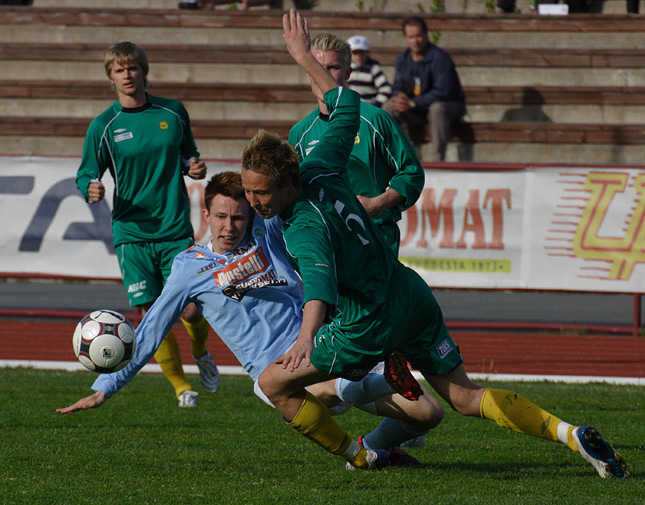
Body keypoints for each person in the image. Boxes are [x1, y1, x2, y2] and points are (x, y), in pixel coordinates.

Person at [240, 10, 628, 477]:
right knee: (462, 397)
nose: (253, 201)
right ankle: (569, 434)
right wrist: (303, 57)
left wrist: (305, 337)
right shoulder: (319, 159)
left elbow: (318, 282)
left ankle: (360, 455)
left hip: (364, 321)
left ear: (285, 182)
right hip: (408, 292)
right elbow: (344, 105)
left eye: (259, 192)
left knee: (274, 384)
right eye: (247, 191)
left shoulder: (302, 225)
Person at [58, 170, 442, 467]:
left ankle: (371, 449)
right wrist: (106, 386)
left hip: (323, 339)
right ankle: (376, 381)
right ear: (205, 214)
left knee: (428, 414)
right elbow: (150, 330)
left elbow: (287, 191)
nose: (230, 227)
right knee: (333, 382)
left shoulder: (269, 231)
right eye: (221, 217)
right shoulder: (189, 268)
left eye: (239, 217)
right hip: (273, 370)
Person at [75, 41, 220, 408]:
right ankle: (180, 387)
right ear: (111, 78)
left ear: (143, 71)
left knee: (190, 309)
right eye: (119, 70)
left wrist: (193, 166)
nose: (127, 75)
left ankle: (202, 351)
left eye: (132, 68)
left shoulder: (172, 112)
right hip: (132, 234)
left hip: (173, 228)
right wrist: (90, 188)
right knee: (152, 314)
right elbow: (86, 173)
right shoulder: (103, 126)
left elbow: (189, 152)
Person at [289, 32, 423, 255]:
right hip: (327, 241)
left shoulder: (374, 119)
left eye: (333, 67)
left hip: (374, 238)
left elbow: (412, 172)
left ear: (349, 73)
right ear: (308, 72)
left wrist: (378, 203)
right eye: (317, 67)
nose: (324, 74)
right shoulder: (300, 133)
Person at [382, 16, 466, 162]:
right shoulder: (403, 58)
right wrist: (400, 97)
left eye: (419, 36)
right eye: (411, 37)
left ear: (426, 35)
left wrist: (414, 103)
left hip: (449, 106)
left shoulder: (440, 58)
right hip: (416, 109)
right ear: (406, 39)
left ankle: (437, 161)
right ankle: (388, 157)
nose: (416, 41)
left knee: (437, 108)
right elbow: (397, 86)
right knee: (389, 106)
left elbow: (443, 92)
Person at [346, 35, 392, 109]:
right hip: (352, 105)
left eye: (361, 53)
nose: (359, 56)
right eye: (355, 53)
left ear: (368, 53)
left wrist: (375, 105)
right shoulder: (348, 68)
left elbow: (386, 89)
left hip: (369, 106)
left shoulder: (373, 69)